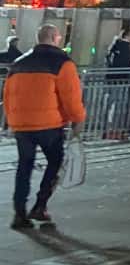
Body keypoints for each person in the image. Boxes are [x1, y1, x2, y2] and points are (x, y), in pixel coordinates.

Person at [5, 24, 86, 229]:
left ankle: (19, 213)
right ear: (53, 37)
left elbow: (7, 95)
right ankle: (40, 205)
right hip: (49, 124)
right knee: (55, 162)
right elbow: (71, 97)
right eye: (58, 37)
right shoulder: (62, 63)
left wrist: (12, 120)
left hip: (22, 125)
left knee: (24, 166)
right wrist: (78, 119)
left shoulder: (18, 63)